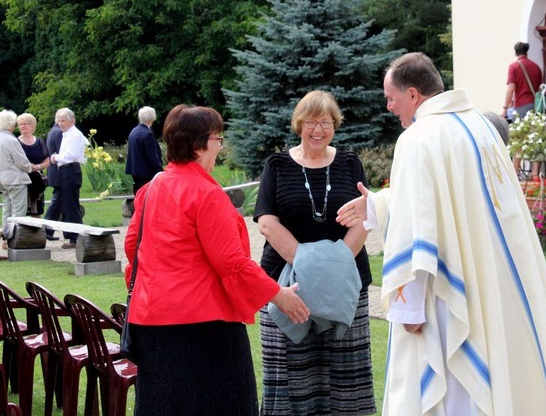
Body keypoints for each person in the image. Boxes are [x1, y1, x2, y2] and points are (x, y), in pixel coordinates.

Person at [337, 53, 546, 415]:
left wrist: (409, 306)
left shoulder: (418, 138)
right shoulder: (480, 127)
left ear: (414, 94)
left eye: (391, 97)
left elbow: (418, 227)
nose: (389, 107)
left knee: (453, 392)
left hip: (448, 298)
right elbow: (450, 204)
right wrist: (379, 207)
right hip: (492, 285)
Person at [124, 104, 309, 416]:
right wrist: (280, 296)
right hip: (204, 325)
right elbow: (232, 262)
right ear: (199, 145)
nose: (220, 147)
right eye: (217, 139)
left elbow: (132, 250)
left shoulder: (151, 188)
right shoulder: (206, 194)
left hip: (154, 323)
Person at [254, 90, 376, 415]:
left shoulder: (350, 163)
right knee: (289, 375)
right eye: (311, 121)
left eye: (326, 122)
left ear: (335, 125)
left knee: (345, 379)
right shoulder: (277, 164)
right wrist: (313, 267)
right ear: (299, 124)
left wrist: (331, 268)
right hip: (285, 285)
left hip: (346, 284)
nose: (318, 129)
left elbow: (366, 216)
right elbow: (266, 222)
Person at [0, 110, 34, 247]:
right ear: (11, 125)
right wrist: (30, 167)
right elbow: (21, 160)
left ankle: (5, 237)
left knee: (7, 210)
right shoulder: (11, 139)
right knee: (18, 212)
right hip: (15, 180)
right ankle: (15, 240)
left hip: (2, 178)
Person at [501, 41, 543, 179]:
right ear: (527, 52)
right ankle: (535, 173)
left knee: (518, 139)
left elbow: (511, 88)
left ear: (515, 52)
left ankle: (515, 173)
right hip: (536, 107)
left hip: (522, 106)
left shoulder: (514, 66)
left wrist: (505, 108)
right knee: (536, 138)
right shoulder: (536, 67)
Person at [48, 108, 88, 249]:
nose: (60, 123)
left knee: (71, 206)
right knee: (65, 203)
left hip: (70, 170)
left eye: (63, 120)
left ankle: (75, 238)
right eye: (58, 121)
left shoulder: (74, 135)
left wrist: (55, 157)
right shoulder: (66, 134)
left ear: (72, 120)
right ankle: (73, 236)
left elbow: (70, 156)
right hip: (65, 171)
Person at [16, 113, 50, 216]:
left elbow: (47, 160)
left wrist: (38, 167)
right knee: (23, 211)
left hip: (37, 181)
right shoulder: (16, 142)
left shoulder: (39, 142)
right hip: (22, 180)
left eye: (25, 124)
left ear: (32, 126)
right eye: (20, 124)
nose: (22, 126)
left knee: (37, 211)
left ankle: (37, 232)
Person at [125, 106, 164, 194]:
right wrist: (160, 171)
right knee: (147, 197)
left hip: (135, 170)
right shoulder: (148, 134)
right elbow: (152, 156)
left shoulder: (134, 131)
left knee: (138, 196)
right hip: (147, 173)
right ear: (153, 118)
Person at [43, 121, 63, 240]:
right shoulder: (59, 133)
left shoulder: (52, 132)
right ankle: (47, 229)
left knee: (62, 202)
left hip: (53, 171)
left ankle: (68, 233)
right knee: (57, 202)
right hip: (59, 172)